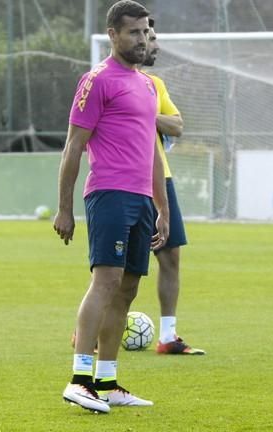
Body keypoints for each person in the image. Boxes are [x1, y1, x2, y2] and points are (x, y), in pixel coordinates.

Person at [54, 0, 169, 413]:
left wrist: (162, 205)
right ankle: (79, 379)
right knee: (105, 282)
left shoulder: (145, 84)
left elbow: (153, 149)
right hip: (108, 193)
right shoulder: (97, 79)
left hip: (140, 199)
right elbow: (73, 145)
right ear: (113, 35)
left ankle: (107, 380)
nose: (142, 38)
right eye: (134, 32)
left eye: (145, 31)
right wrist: (64, 207)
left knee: (127, 289)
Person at [141, 19, 205, 355]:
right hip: (125, 182)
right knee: (116, 267)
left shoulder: (154, 85)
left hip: (160, 178)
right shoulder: (108, 82)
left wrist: (142, 114)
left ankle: (167, 336)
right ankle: (88, 333)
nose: (155, 44)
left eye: (152, 37)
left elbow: (177, 124)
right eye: (150, 38)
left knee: (170, 257)